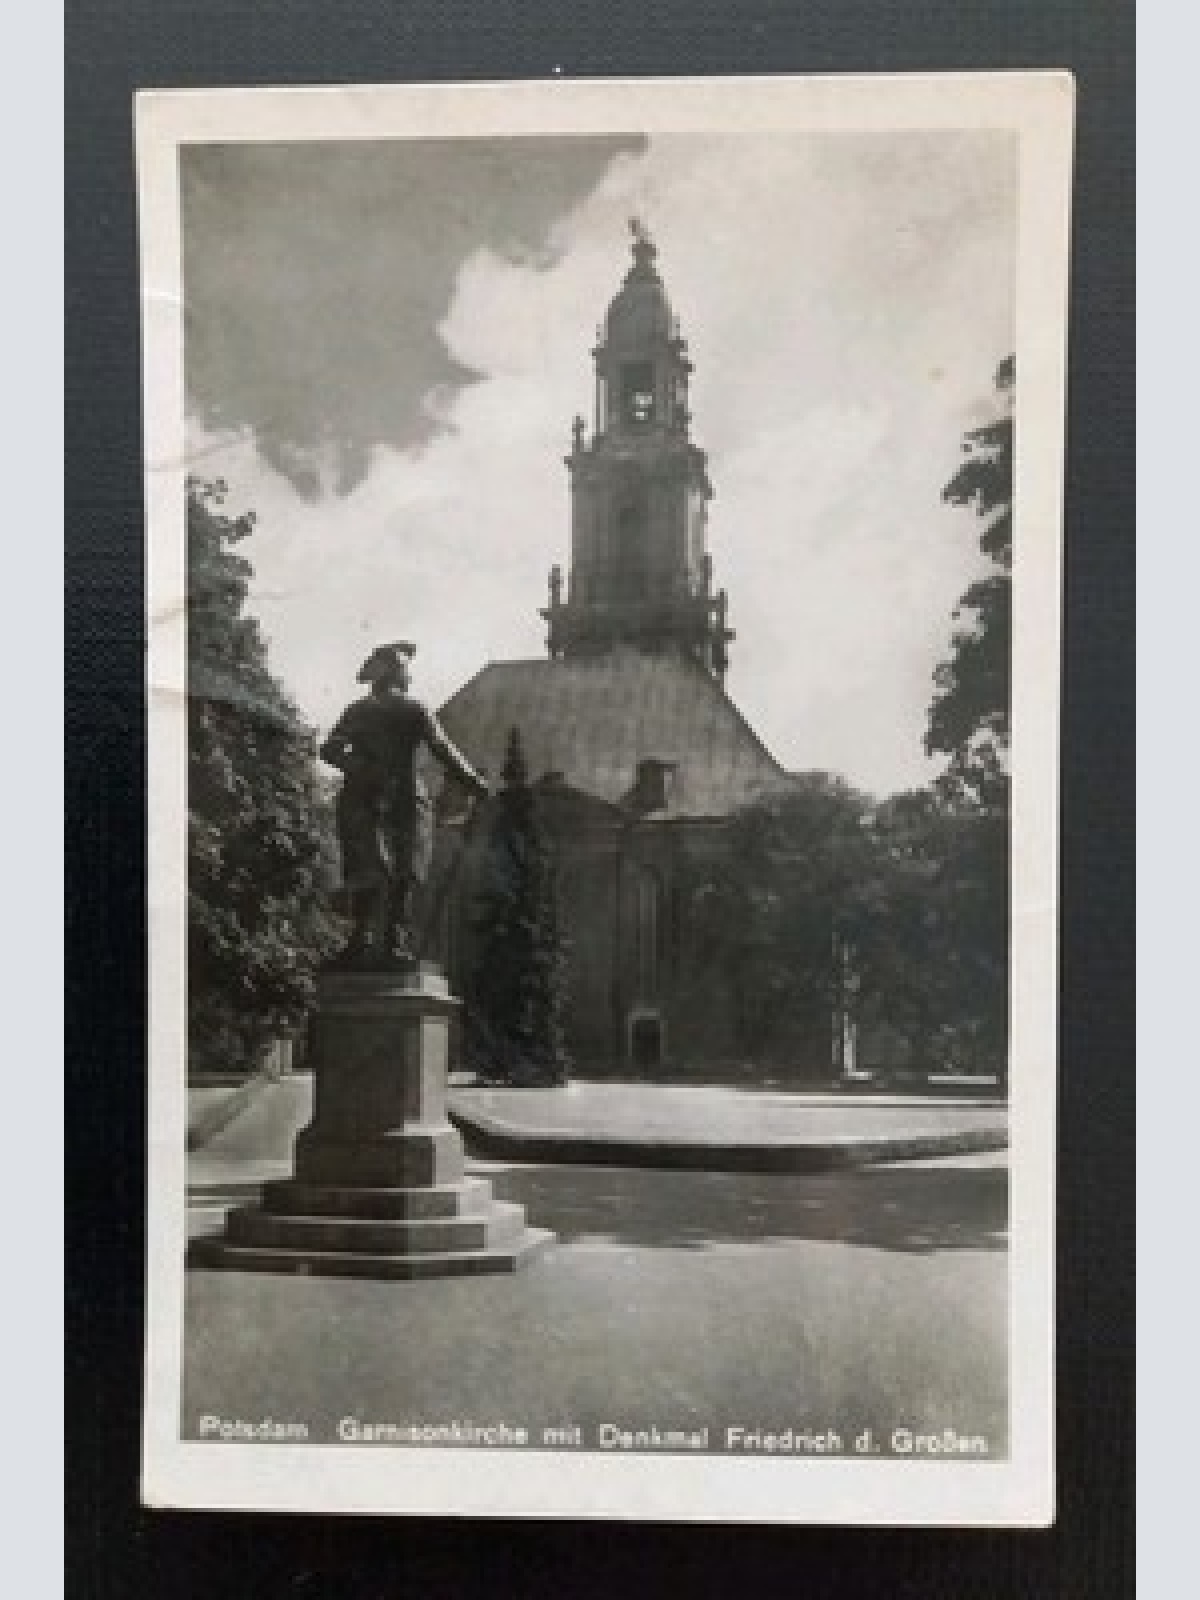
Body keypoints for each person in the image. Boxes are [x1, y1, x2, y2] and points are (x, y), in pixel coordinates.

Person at [319, 641, 489, 968]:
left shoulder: (358, 710)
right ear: (398, 673)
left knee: (371, 869)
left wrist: (359, 769)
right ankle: (391, 941)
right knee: (404, 871)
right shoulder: (412, 709)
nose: (408, 675)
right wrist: (475, 783)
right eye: (405, 669)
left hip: (366, 797)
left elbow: (329, 750)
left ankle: (361, 940)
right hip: (405, 799)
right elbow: (443, 749)